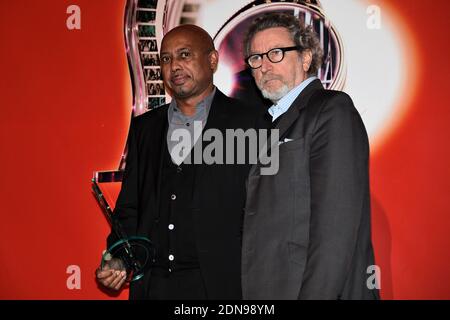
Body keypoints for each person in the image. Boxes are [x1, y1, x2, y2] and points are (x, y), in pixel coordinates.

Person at [96, 24, 258, 299]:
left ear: (212, 60)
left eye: (184, 55)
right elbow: (130, 209)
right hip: (154, 287)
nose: (174, 66)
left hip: (220, 288)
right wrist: (120, 259)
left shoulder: (250, 124)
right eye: (166, 59)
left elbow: (263, 215)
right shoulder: (144, 129)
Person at [241, 12, 379, 299]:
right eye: (255, 58)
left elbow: (335, 233)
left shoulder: (331, 110)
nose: (264, 65)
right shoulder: (269, 125)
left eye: (275, 53)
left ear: (305, 58)